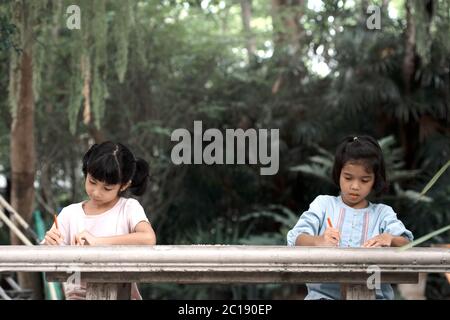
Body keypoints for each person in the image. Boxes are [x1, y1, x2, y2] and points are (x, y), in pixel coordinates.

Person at [287, 135, 413, 300]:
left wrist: (390, 239)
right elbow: (296, 238)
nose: (355, 186)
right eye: (348, 177)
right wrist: (318, 241)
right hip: (323, 297)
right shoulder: (323, 205)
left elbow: (408, 243)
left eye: (364, 180)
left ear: (375, 180)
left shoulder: (383, 213)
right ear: (338, 173)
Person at [43, 141, 157, 299]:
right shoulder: (70, 214)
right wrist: (51, 243)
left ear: (123, 186)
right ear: (86, 173)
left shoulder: (128, 208)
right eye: (92, 182)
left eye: (107, 188)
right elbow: (52, 262)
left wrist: (98, 242)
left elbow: (148, 238)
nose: (96, 192)